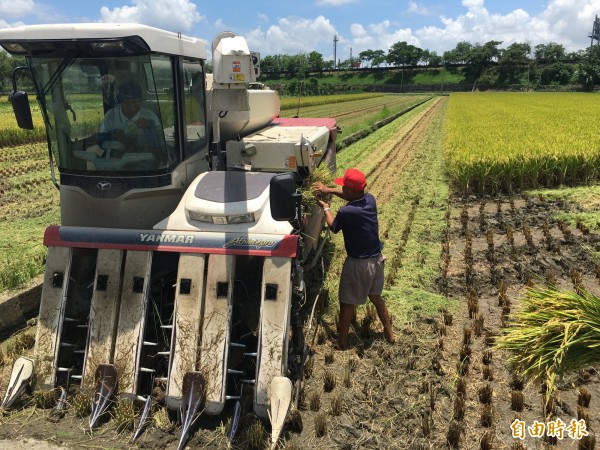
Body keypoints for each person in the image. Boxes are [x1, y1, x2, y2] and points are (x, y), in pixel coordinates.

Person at [315, 168, 395, 350]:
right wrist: (329, 189)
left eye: (344, 187)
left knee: (347, 301)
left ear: (351, 191)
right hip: (377, 259)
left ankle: (342, 342)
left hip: (359, 263)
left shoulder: (346, 211)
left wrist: (326, 208)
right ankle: (389, 334)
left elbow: (333, 227)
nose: (341, 190)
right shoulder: (370, 199)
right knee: (375, 296)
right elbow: (349, 195)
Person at [99, 81, 162, 153]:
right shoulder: (111, 116)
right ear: (120, 102)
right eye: (126, 102)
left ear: (141, 102)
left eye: (134, 102)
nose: (131, 107)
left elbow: (160, 143)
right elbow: (101, 141)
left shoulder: (150, 116)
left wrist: (150, 127)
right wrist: (112, 135)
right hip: (117, 159)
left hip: (144, 158)